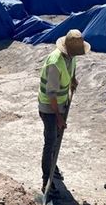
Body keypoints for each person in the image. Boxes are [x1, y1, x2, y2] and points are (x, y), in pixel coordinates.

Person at [37, 29, 89, 195]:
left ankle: (53, 165)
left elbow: (70, 73)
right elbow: (51, 94)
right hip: (49, 108)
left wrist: (73, 80)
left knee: (56, 139)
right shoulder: (55, 63)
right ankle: (46, 180)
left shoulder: (71, 57)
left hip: (61, 105)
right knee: (50, 141)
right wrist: (59, 118)